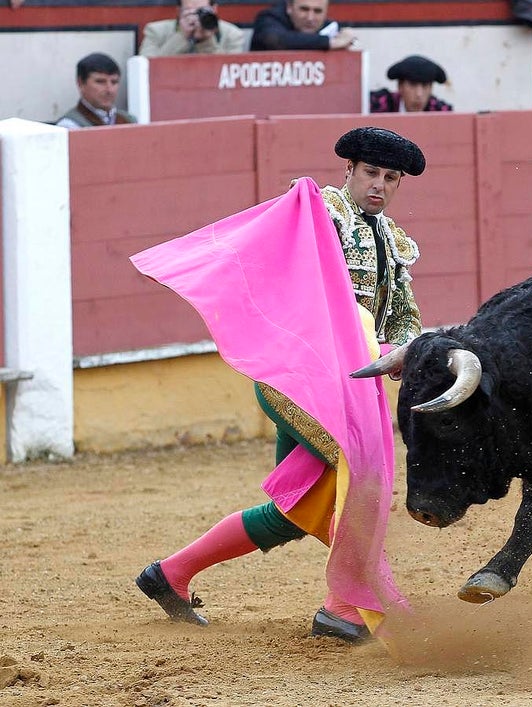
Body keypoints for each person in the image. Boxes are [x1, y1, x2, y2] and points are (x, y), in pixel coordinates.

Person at [134, 126, 426, 644]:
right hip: (300, 378)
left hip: (350, 383)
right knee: (358, 479)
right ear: (350, 172)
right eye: (371, 173)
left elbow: (399, 315)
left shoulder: (391, 240)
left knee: (297, 509)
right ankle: (353, 607)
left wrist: (403, 352)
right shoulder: (318, 215)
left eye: (390, 178)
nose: (379, 185)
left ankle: (170, 575)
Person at [139, 0, 247, 56]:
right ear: (179, 11)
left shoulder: (232, 34)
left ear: (214, 9)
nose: (197, 17)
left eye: (202, 11)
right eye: (190, 11)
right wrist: (181, 36)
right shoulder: (155, 31)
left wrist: (206, 41)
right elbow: (145, 68)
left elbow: (229, 72)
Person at [56, 53, 137, 128]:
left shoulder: (129, 120)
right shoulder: (69, 125)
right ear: (81, 83)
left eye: (114, 82)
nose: (109, 90)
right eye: (100, 82)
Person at [249, 0, 356, 52]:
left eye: (317, 11)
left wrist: (347, 38)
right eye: (304, 9)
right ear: (289, 7)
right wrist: (327, 42)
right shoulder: (269, 19)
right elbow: (275, 39)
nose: (310, 18)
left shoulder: (329, 27)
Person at [369, 55, 453, 113]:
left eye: (425, 86)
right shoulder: (380, 104)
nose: (419, 94)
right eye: (413, 85)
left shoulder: (440, 111)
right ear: (400, 86)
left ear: (431, 88)